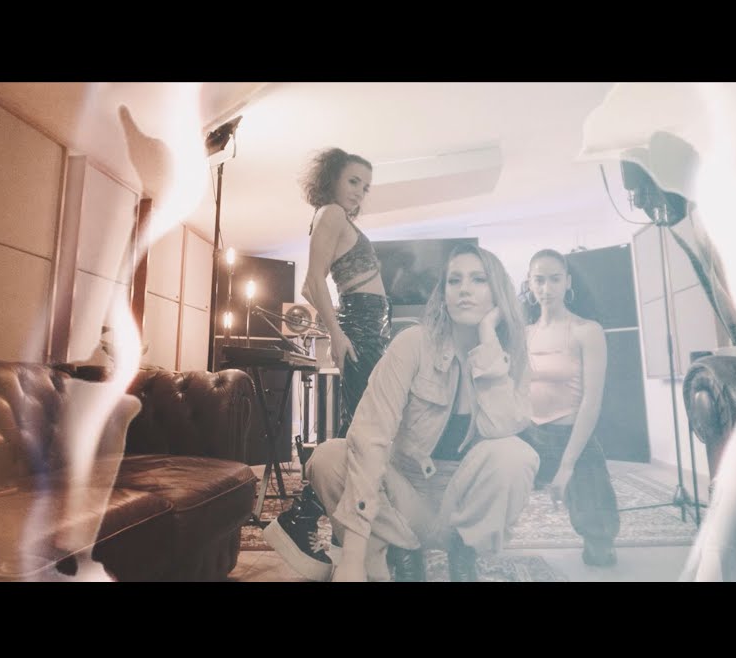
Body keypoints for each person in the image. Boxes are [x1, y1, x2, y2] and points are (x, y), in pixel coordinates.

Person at [300, 243, 538, 582]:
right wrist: (352, 556)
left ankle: (463, 553)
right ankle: (400, 550)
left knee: (516, 454)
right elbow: (370, 434)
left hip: (463, 503)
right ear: (443, 294)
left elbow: (503, 428)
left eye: (478, 279)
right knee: (328, 457)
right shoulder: (412, 343)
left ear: (497, 292)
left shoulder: (509, 356)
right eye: (454, 280)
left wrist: (488, 346)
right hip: (406, 498)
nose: (464, 289)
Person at [262, 148, 393, 580]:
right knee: (363, 432)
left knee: (356, 429)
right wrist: (337, 334)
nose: (359, 192)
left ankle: (325, 528)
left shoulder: (339, 219)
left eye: (366, 187)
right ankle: (301, 521)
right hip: (359, 329)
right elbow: (311, 281)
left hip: (367, 330)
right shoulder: (331, 213)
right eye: (353, 181)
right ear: (333, 178)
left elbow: (315, 284)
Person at [518, 249, 621, 566]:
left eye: (554, 279)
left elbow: (592, 401)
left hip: (571, 436)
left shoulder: (587, 331)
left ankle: (597, 538)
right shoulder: (525, 334)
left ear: (568, 282)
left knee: (600, 549)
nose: (546, 288)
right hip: (529, 435)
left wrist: (567, 465)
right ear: (529, 283)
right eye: (539, 280)